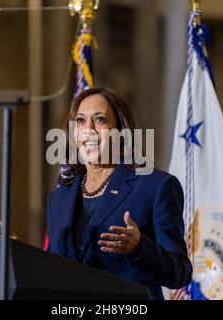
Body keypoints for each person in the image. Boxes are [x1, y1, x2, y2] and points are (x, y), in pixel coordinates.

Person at [45, 87, 192, 300]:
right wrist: (20, 254)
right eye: (80, 121)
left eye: (100, 120)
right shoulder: (59, 198)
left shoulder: (155, 186)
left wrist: (141, 248)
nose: (89, 130)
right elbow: (53, 271)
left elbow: (180, 273)